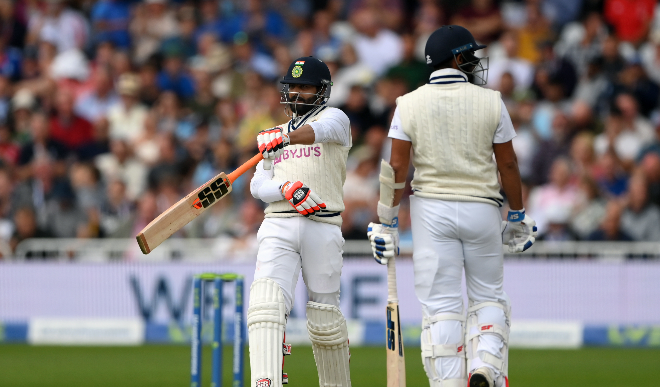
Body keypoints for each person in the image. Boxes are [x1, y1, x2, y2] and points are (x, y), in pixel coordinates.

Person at [367, 26, 537, 387]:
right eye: (470, 55)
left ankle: (449, 382)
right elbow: (508, 165)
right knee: (488, 296)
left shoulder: (407, 103)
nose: (475, 61)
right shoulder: (491, 100)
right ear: (457, 58)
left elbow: (396, 168)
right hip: (482, 209)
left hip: (431, 213)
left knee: (441, 307)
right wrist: (518, 215)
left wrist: (387, 221)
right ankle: (486, 369)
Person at [248, 57, 352, 387]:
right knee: (265, 306)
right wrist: (285, 187)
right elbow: (257, 185)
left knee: (325, 318)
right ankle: (266, 383)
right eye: (292, 86)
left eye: (304, 87)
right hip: (278, 222)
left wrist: (286, 139)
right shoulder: (271, 134)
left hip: (323, 223)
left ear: (321, 91)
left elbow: (320, 131)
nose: (296, 93)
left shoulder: (336, 119)